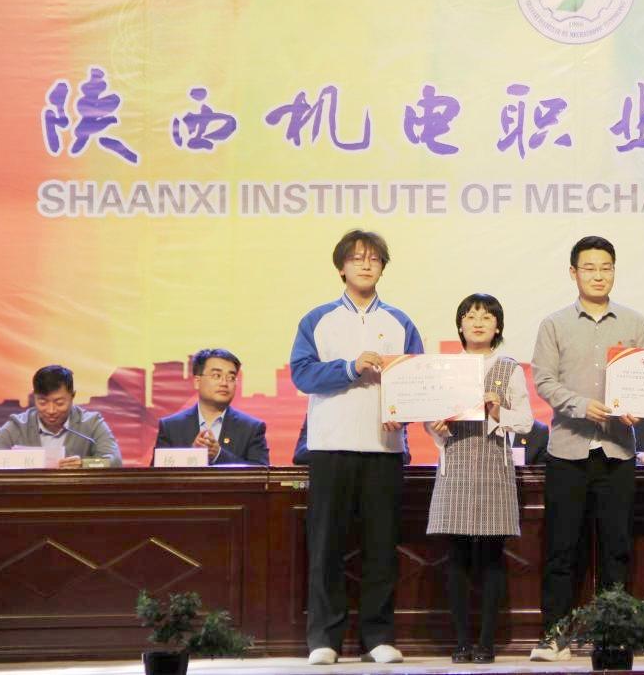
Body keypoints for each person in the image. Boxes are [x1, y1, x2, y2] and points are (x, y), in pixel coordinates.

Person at [290, 229, 423, 665]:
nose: (366, 265)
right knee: (326, 546)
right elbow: (302, 374)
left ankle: (378, 637)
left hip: (384, 449)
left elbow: (417, 381)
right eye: (357, 258)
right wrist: (350, 367)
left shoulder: (400, 322)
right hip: (331, 446)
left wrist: (405, 410)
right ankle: (323, 639)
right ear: (341, 267)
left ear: (383, 267)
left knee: (381, 548)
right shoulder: (318, 319)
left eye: (374, 259)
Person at [530, 236, 644, 661]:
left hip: (618, 452)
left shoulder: (634, 323)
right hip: (568, 452)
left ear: (614, 271)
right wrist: (581, 406)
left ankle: (613, 639)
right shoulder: (554, 324)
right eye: (589, 268)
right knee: (562, 549)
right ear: (573, 273)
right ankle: (555, 636)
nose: (598, 276)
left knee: (617, 550)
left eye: (606, 267)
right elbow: (544, 380)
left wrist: (637, 406)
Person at [425, 294, 535, 663]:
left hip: (494, 470)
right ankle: (460, 642)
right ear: (460, 325)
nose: (477, 323)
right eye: (470, 316)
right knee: (456, 557)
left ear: (497, 326)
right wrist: (436, 427)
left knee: (491, 558)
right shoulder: (446, 368)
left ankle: (486, 643)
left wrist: (497, 410)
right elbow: (430, 421)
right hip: (454, 467)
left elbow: (526, 422)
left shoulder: (509, 368)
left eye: (486, 317)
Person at [0, 365, 122, 468]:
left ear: (72, 396)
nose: (51, 410)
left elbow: (114, 461)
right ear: (34, 397)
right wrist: (20, 462)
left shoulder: (91, 423)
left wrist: (84, 464)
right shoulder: (18, 425)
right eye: (42, 402)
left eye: (59, 403)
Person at [152, 348, 269, 466]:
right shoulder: (171, 427)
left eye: (231, 377)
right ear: (197, 381)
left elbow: (261, 473)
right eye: (217, 376)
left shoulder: (252, 429)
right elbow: (156, 475)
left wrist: (218, 455)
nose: (224, 383)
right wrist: (192, 455)